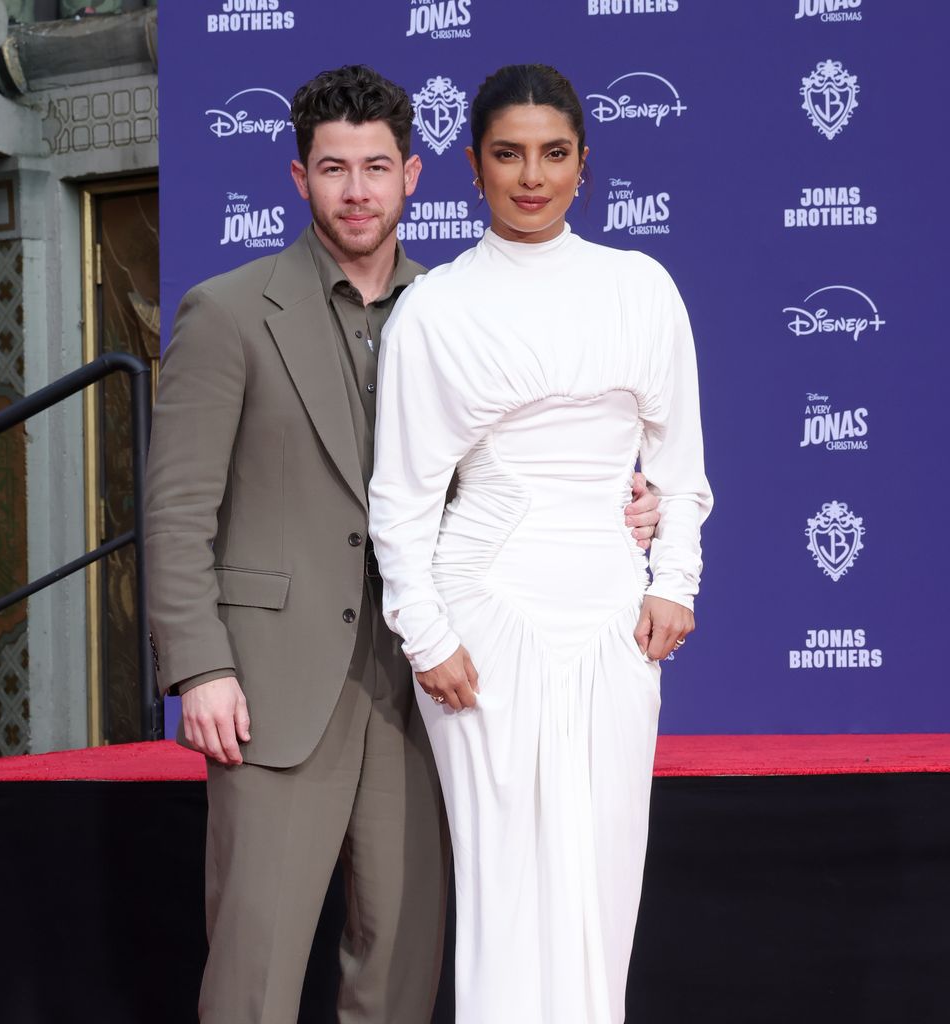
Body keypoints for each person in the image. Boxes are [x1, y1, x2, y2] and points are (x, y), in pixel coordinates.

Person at [145, 65, 664, 1024]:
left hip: (435, 684)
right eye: (334, 169)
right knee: (254, 966)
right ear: (298, 179)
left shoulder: (460, 303)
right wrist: (199, 667)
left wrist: (628, 505)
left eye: (376, 168)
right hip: (273, 684)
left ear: (415, 175)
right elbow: (177, 510)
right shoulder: (227, 312)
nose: (357, 191)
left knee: (401, 967)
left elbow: (510, 476)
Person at [369, 64, 713, 1024]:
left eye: (553, 154)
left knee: (605, 870)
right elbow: (401, 491)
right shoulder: (435, 311)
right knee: (505, 877)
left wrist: (673, 580)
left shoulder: (640, 287)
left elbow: (679, 465)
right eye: (508, 154)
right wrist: (425, 634)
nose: (532, 176)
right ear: (474, 167)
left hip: (613, 608)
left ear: (583, 165)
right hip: (483, 614)